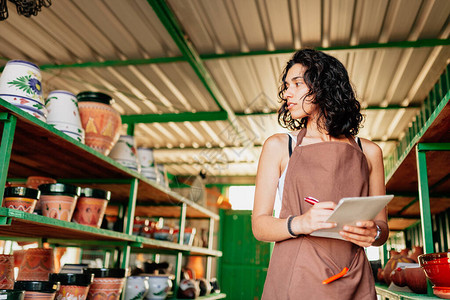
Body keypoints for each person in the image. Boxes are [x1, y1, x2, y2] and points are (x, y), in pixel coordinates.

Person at [252, 49, 389, 299]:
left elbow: (382, 228)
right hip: (297, 277)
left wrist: (375, 233)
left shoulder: (369, 152)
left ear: (324, 86)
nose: (286, 94)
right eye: (285, 86)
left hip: (354, 276)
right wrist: (301, 223)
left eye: (296, 84)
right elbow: (259, 226)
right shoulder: (280, 146)